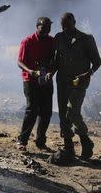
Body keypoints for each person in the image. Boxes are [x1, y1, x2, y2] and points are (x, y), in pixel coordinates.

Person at [52, 12, 100, 159]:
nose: (65, 29)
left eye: (68, 25)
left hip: (79, 82)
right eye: (63, 26)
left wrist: (88, 73)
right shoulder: (59, 38)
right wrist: (49, 73)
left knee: (72, 111)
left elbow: (97, 62)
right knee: (62, 113)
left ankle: (86, 141)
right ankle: (68, 146)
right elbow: (55, 60)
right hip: (62, 81)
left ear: (74, 22)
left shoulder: (86, 39)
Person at [16, 17, 54, 151]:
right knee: (32, 110)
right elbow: (19, 62)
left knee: (46, 112)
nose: (47, 30)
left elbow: (53, 61)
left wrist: (51, 72)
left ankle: (40, 141)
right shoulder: (28, 41)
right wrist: (30, 71)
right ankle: (22, 141)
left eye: (49, 27)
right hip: (30, 79)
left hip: (46, 80)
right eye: (44, 27)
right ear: (37, 26)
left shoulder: (51, 41)